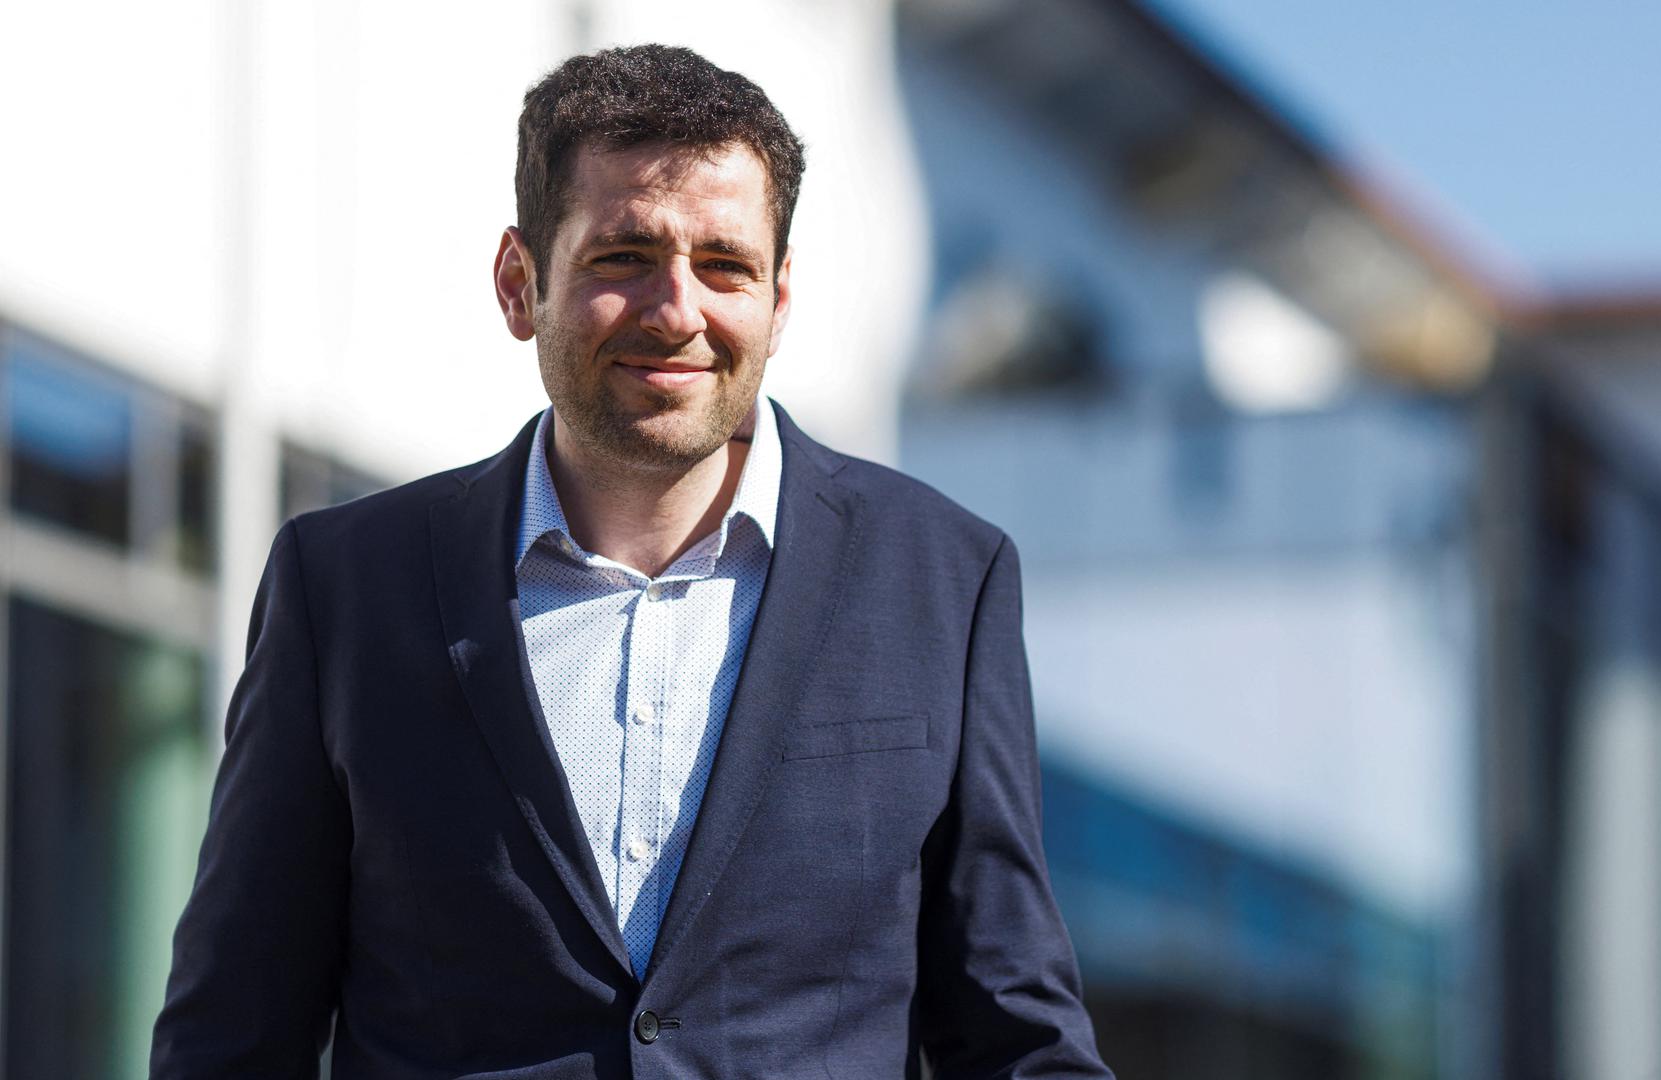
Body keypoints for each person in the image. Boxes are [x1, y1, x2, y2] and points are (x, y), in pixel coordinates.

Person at [151, 44, 1110, 1079]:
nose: (677, 310)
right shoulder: (344, 584)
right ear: (521, 285)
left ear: (780, 300)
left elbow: (1015, 1032)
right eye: (623, 257)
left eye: (725, 265)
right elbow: (233, 1031)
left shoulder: (943, 581)